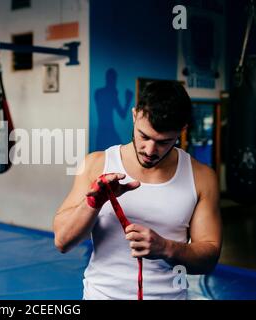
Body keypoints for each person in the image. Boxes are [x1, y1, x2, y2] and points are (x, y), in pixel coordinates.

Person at [53, 81, 222, 300]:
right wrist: (93, 204)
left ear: (181, 131)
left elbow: (209, 258)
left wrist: (166, 248)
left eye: (163, 142)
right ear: (134, 116)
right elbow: (62, 242)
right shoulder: (95, 164)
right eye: (144, 136)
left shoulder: (201, 177)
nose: (150, 150)